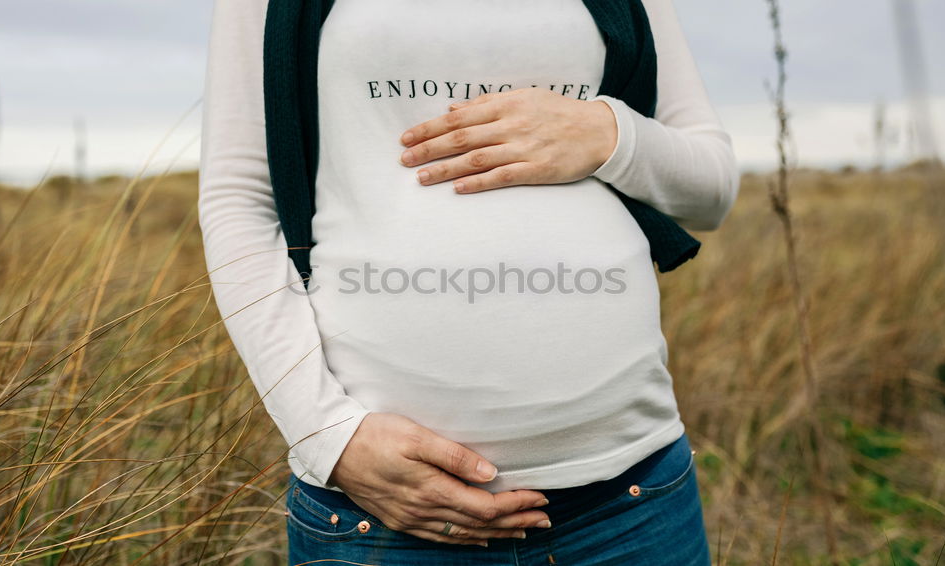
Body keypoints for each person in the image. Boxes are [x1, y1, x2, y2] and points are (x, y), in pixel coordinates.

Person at [198, 0, 739, 563]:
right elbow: (240, 199)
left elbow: (712, 189)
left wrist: (608, 132)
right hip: (383, 510)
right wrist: (327, 437)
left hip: (632, 497)